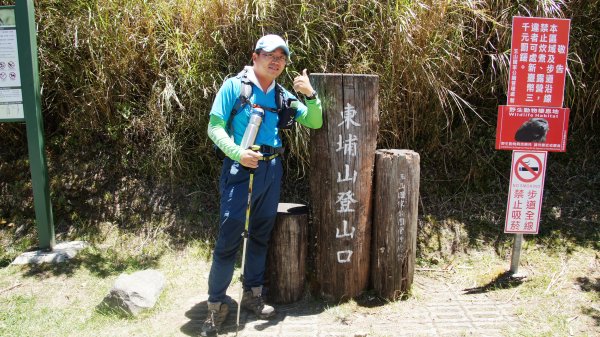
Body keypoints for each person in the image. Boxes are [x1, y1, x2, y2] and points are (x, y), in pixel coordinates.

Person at [202, 34, 322, 336]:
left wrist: (310, 95)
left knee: (260, 234)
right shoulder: (234, 86)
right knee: (229, 235)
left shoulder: (282, 94)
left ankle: (253, 294)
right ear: (255, 56)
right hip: (239, 168)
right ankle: (216, 305)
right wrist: (237, 153)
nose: (277, 60)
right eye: (271, 54)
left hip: (271, 169)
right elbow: (214, 126)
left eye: (282, 57)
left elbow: (315, 121)